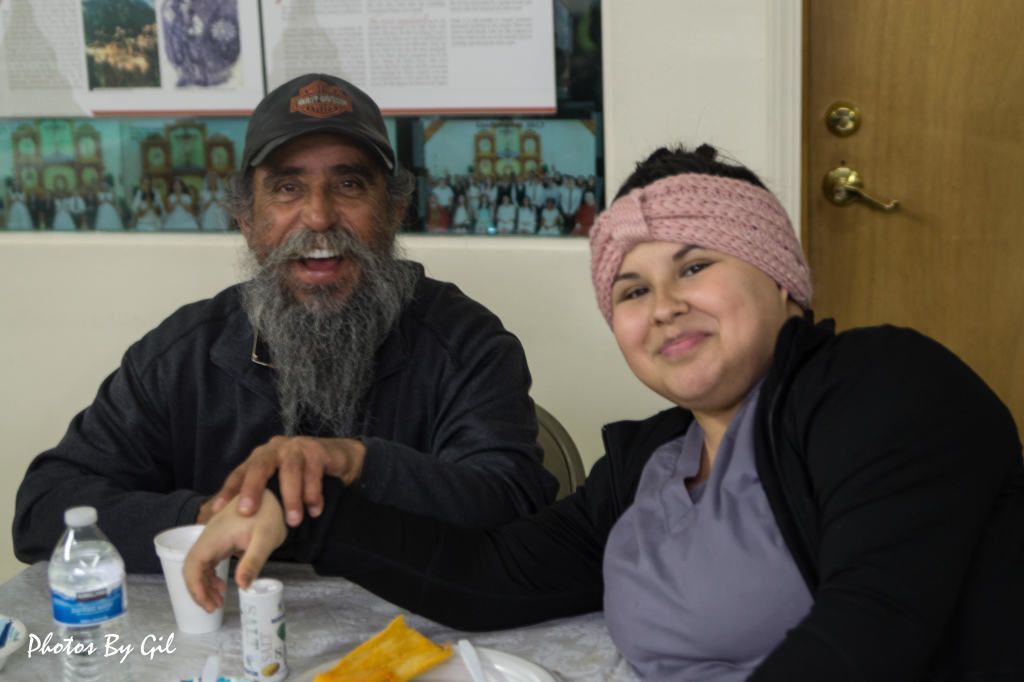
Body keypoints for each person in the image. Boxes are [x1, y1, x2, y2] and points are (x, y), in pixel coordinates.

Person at [185, 144, 1024, 681]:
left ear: (782, 281)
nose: (662, 306)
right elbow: (491, 578)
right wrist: (303, 513)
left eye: (694, 267)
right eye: (631, 289)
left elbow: (869, 633)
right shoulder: (649, 467)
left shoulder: (882, 388)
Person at [13, 72, 557, 574]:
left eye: (349, 186)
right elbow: (44, 509)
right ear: (245, 218)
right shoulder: (183, 355)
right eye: (288, 187)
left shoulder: (466, 341)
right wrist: (212, 517)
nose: (318, 217)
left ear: (395, 211)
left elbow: (512, 500)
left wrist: (354, 462)